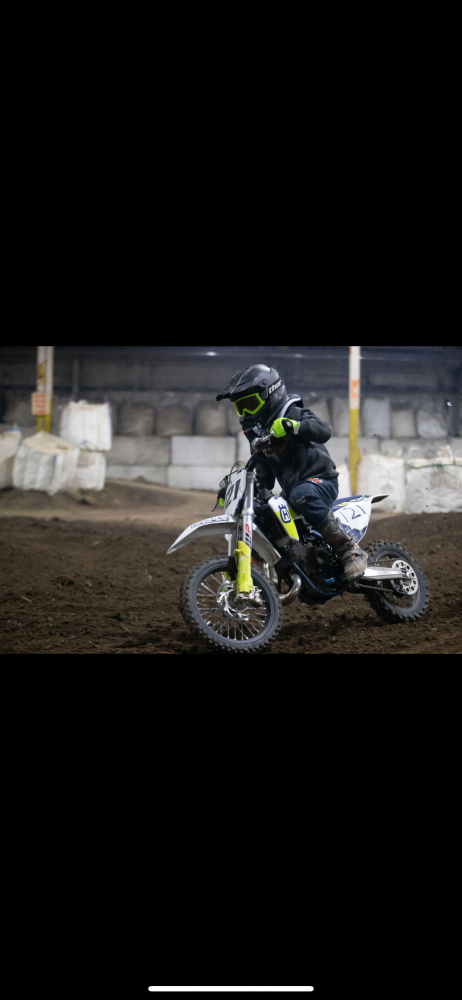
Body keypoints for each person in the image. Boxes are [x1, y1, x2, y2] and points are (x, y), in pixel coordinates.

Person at [216, 363, 368, 583]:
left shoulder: (292, 413)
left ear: (271, 395)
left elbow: (324, 430)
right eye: (242, 408)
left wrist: (293, 426)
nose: (247, 413)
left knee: (301, 494)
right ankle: (292, 568)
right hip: (295, 492)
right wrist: (237, 492)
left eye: (251, 405)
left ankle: (349, 550)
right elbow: (265, 480)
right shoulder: (260, 440)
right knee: (265, 510)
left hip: (321, 482)